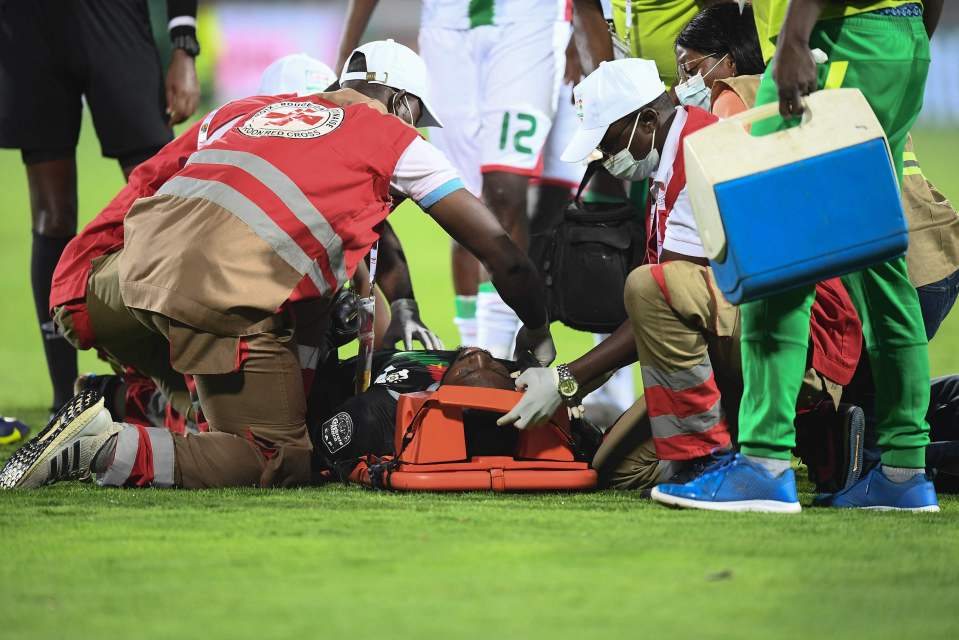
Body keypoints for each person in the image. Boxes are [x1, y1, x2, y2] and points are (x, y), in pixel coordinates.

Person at [0, 40, 556, 492]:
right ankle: (101, 447)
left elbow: (146, 186)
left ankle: (115, 402)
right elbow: (501, 254)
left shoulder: (244, 110)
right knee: (280, 456)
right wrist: (538, 337)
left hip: (116, 285)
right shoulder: (392, 135)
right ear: (403, 102)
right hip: (212, 299)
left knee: (235, 382)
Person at [653, 0, 943, 512]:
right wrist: (912, 34)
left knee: (774, 255)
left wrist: (792, 41)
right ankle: (904, 469)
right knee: (875, 260)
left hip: (831, 40)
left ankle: (763, 465)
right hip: (898, 41)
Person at [0, 0, 201, 415]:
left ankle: (189, 379)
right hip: (27, 26)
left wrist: (184, 45)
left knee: (166, 200)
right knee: (51, 214)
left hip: (113, 18)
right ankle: (63, 399)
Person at [336, 1, 569, 356]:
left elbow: (362, 222)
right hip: (445, 26)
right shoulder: (392, 140)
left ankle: (494, 351)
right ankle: (480, 351)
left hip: (529, 19)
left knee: (500, 192)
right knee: (463, 198)